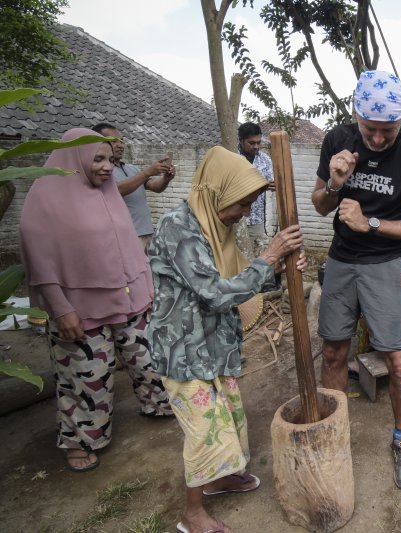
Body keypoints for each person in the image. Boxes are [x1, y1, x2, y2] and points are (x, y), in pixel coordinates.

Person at [148, 146, 306, 533]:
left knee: (228, 415)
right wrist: (270, 257)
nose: (245, 213)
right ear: (217, 193)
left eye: (250, 204)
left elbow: (242, 284)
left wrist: (285, 269)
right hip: (184, 349)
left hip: (213, 343)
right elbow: (216, 292)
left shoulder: (216, 230)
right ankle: (192, 514)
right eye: (243, 203)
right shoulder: (177, 228)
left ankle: (218, 479)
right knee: (204, 428)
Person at [311, 70, 401, 489]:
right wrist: (334, 182)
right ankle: (334, 431)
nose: (379, 139)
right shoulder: (336, 140)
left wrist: (372, 222)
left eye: (389, 130)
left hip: (389, 263)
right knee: (333, 353)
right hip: (343, 259)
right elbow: (318, 205)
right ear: (356, 115)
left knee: (400, 363)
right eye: (370, 129)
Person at [19, 128, 173, 473]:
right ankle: (82, 440)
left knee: (148, 359)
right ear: (73, 159)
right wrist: (61, 309)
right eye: (98, 159)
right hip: (79, 311)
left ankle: (158, 405)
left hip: (130, 299)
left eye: (110, 159)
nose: (107, 167)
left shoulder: (108, 194)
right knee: (86, 376)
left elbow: (129, 246)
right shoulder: (45, 199)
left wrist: (147, 287)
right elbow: (40, 263)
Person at [91, 123, 176, 251]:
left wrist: (166, 179)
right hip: (126, 236)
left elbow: (155, 186)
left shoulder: (132, 168)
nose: (120, 145)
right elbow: (116, 190)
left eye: (122, 141)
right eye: (114, 141)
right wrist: (147, 172)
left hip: (147, 231)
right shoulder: (102, 171)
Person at [238, 122, 275, 253]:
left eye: (258, 143)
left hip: (256, 218)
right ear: (241, 141)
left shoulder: (265, 159)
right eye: (251, 143)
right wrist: (260, 186)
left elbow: (271, 183)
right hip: (235, 218)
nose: (256, 146)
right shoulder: (232, 158)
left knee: (256, 255)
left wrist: (271, 185)